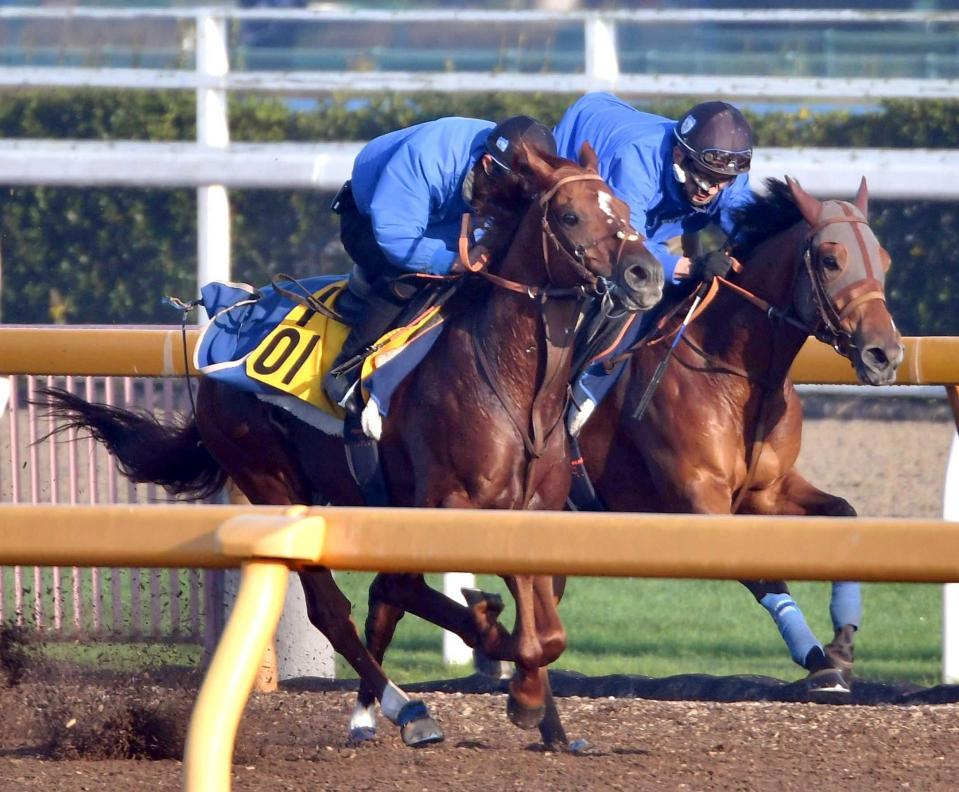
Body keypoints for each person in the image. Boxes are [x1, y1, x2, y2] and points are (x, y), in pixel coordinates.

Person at [323, 114, 557, 410]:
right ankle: (345, 371)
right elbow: (396, 238)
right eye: (510, 193)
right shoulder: (426, 158)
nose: (513, 202)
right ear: (486, 164)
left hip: (445, 220)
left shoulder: (500, 168)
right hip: (372, 223)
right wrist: (453, 262)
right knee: (412, 278)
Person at [553, 92, 755, 288]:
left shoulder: (729, 173)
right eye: (703, 178)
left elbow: (750, 228)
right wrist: (694, 267)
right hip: (576, 144)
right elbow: (628, 251)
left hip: (657, 198)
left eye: (722, 181)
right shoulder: (636, 162)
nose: (710, 190)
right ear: (678, 156)